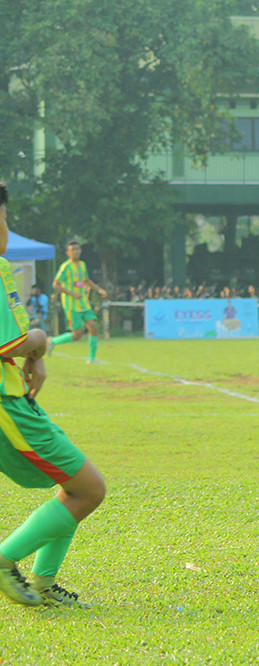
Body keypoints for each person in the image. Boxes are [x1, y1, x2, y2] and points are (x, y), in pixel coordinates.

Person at [0, 184, 105, 608]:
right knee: (89, 489)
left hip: (15, 396)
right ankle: (5, 560)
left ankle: (43, 583)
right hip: (6, 405)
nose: (7, 230)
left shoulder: (4, 269)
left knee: (74, 485)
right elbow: (10, 343)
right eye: (5, 220)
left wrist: (36, 353)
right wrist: (40, 341)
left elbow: (17, 338)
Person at [48, 241, 108, 363]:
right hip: (71, 305)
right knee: (77, 335)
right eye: (72, 249)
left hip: (84, 303)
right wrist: (72, 293)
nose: (75, 251)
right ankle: (52, 341)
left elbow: (86, 280)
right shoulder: (66, 267)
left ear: (80, 250)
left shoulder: (82, 265)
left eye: (77, 249)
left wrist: (99, 289)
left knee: (93, 327)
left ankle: (91, 358)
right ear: (68, 253)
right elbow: (56, 285)